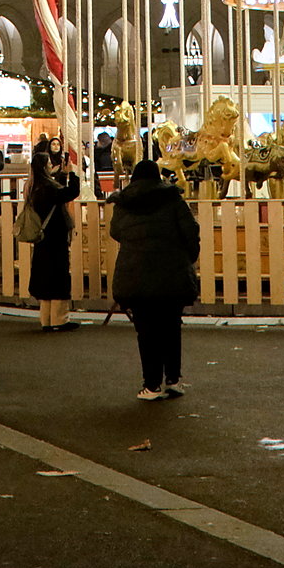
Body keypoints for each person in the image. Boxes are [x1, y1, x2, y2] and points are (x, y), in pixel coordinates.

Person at [109, 158, 200, 401]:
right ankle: (173, 379)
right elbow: (191, 231)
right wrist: (187, 258)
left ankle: (151, 385)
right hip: (171, 272)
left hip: (135, 274)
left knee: (146, 331)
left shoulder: (124, 203)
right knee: (171, 327)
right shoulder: (172, 199)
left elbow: (115, 232)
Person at [22, 139, 80, 329]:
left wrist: (62, 175)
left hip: (43, 237)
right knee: (58, 274)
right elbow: (71, 192)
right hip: (55, 236)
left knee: (45, 275)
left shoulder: (34, 187)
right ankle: (60, 319)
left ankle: (46, 319)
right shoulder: (49, 188)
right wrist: (72, 174)